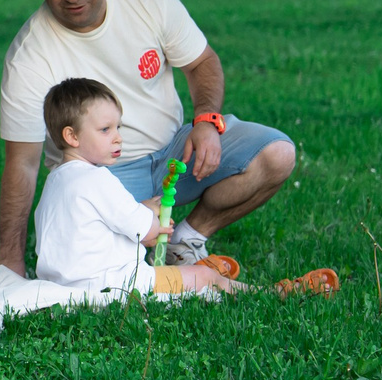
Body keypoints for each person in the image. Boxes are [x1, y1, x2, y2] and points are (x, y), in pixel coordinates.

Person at [0, 0, 295, 274]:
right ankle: (149, 262)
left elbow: (202, 62)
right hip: (104, 174)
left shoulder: (149, 1)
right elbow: (23, 164)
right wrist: (11, 262)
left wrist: (206, 121)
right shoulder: (29, 56)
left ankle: (186, 239)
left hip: (175, 151)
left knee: (277, 154)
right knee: (102, 251)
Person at [32, 77, 239, 296]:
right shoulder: (98, 179)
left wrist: (141, 211)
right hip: (113, 285)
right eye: (105, 130)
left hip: (62, 287)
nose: (118, 138)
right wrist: (151, 214)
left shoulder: (55, 180)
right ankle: (259, 292)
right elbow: (145, 230)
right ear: (72, 136)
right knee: (204, 278)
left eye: (117, 128)